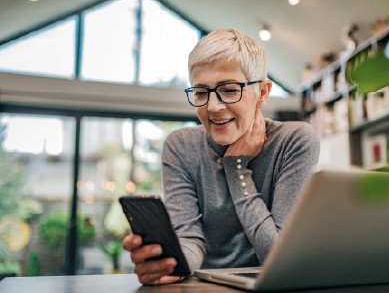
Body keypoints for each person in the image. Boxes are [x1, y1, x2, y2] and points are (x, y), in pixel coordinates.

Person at [122, 28, 320, 285]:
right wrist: (170, 263)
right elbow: (190, 240)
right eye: (201, 93)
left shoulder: (295, 141)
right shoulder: (181, 146)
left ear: (262, 93)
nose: (213, 107)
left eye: (229, 90)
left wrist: (236, 167)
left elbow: (278, 257)